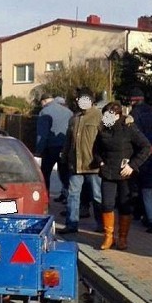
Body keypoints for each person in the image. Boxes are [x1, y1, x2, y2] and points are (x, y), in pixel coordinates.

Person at [93, 101, 151, 250]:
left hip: (126, 174)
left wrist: (132, 165)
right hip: (108, 172)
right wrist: (100, 162)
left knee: (125, 206)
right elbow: (96, 150)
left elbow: (146, 147)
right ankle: (108, 237)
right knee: (106, 204)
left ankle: (123, 237)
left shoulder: (129, 128)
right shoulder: (103, 129)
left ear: (117, 115)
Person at [58, 88, 103, 235]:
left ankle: (101, 224)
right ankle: (72, 224)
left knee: (97, 196)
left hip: (93, 165)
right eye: (78, 100)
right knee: (73, 194)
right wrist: (64, 157)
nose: (79, 102)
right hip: (75, 164)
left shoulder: (100, 116)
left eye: (82, 99)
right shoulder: (74, 118)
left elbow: (116, 127)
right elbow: (68, 140)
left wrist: (128, 119)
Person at [129, 87, 152, 233]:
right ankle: (148, 215)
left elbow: (134, 137)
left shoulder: (135, 114)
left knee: (144, 189)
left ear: (135, 100)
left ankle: (150, 219)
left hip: (142, 155)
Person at [34, 93, 72, 203]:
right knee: (65, 174)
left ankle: (45, 199)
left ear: (44, 101)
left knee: (45, 174)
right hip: (65, 147)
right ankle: (67, 196)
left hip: (50, 148)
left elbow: (42, 134)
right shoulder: (68, 112)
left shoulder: (45, 112)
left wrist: (39, 150)